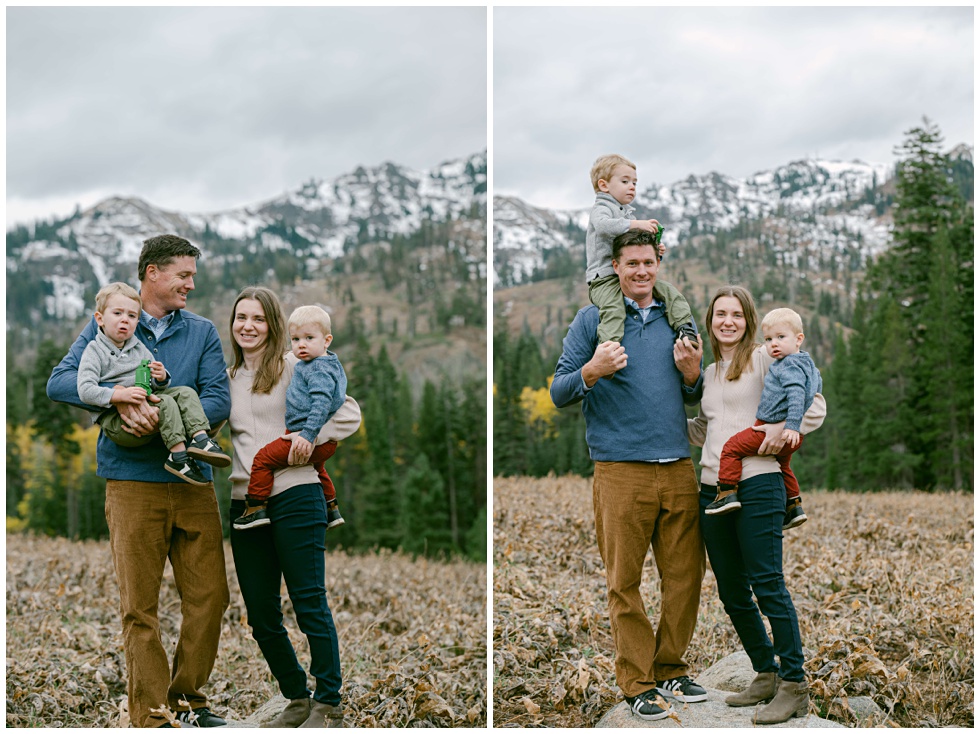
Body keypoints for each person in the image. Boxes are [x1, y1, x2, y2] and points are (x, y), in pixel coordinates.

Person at [47, 235, 231, 728]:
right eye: (183, 275)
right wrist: (118, 400)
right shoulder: (110, 321)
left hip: (193, 483)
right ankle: (152, 717)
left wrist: (166, 417)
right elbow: (60, 382)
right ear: (153, 272)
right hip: (130, 483)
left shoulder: (201, 331)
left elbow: (218, 397)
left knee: (210, 597)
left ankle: (189, 701)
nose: (191, 284)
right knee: (139, 608)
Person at [551, 228, 708, 722]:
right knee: (624, 582)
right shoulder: (592, 320)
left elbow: (696, 393)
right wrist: (593, 369)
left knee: (686, 576)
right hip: (619, 470)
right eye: (631, 263)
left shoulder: (678, 319)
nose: (641, 271)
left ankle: (671, 668)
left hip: (678, 466)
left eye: (648, 262)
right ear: (615, 267)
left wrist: (692, 374)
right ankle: (637, 683)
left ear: (658, 263)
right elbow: (558, 390)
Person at [688, 286, 826, 725]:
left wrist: (780, 431)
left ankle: (794, 684)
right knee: (731, 591)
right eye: (720, 314)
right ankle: (765, 672)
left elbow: (815, 404)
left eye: (736, 314)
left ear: (748, 321)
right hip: (712, 490)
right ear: (710, 321)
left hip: (759, 483)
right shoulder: (710, 373)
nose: (727, 321)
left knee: (767, 584)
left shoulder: (768, 357)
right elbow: (706, 428)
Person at [226, 287, 360, 728]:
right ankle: (296, 697)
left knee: (308, 602)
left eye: (258, 319)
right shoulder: (225, 378)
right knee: (261, 615)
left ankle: (328, 699)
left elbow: (350, 414)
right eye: (241, 317)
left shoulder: (294, 365)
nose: (248, 326)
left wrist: (309, 436)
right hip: (245, 503)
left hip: (296, 492)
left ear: (273, 326)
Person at [77, 282, 231, 487]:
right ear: (99, 319)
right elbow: (85, 390)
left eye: (132, 316)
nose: (125, 319)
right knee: (166, 403)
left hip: (145, 401)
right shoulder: (94, 351)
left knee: (185, 392)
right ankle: (178, 457)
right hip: (119, 421)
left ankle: (200, 439)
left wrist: (161, 378)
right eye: (117, 313)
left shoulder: (138, 348)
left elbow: (156, 389)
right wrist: (118, 395)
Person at [705, 307, 822, 529]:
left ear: (799, 339)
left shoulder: (786, 364)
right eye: (768, 339)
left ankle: (727, 492)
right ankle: (794, 505)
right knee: (784, 465)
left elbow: (799, 394)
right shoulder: (808, 364)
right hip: (792, 436)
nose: (773, 344)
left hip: (769, 428)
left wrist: (790, 426)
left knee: (731, 448)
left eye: (780, 337)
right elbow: (815, 387)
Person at [234, 305, 347, 531]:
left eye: (309, 338)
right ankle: (331, 507)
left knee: (263, 459)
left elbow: (322, 403)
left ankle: (255, 507)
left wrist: (308, 435)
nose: (301, 345)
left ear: (327, 340)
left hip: (305, 436)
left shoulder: (318, 369)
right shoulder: (322, 364)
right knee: (319, 469)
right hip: (314, 440)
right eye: (295, 339)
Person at [586, 154, 697, 356]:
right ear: (603, 185)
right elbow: (603, 226)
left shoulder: (626, 213)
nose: (632, 187)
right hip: (604, 278)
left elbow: (634, 247)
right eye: (625, 181)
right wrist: (636, 224)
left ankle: (685, 328)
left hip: (625, 276)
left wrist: (655, 249)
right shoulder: (601, 208)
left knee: (669, 291)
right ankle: (608, 350)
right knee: (614, 308)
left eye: (634, 183)